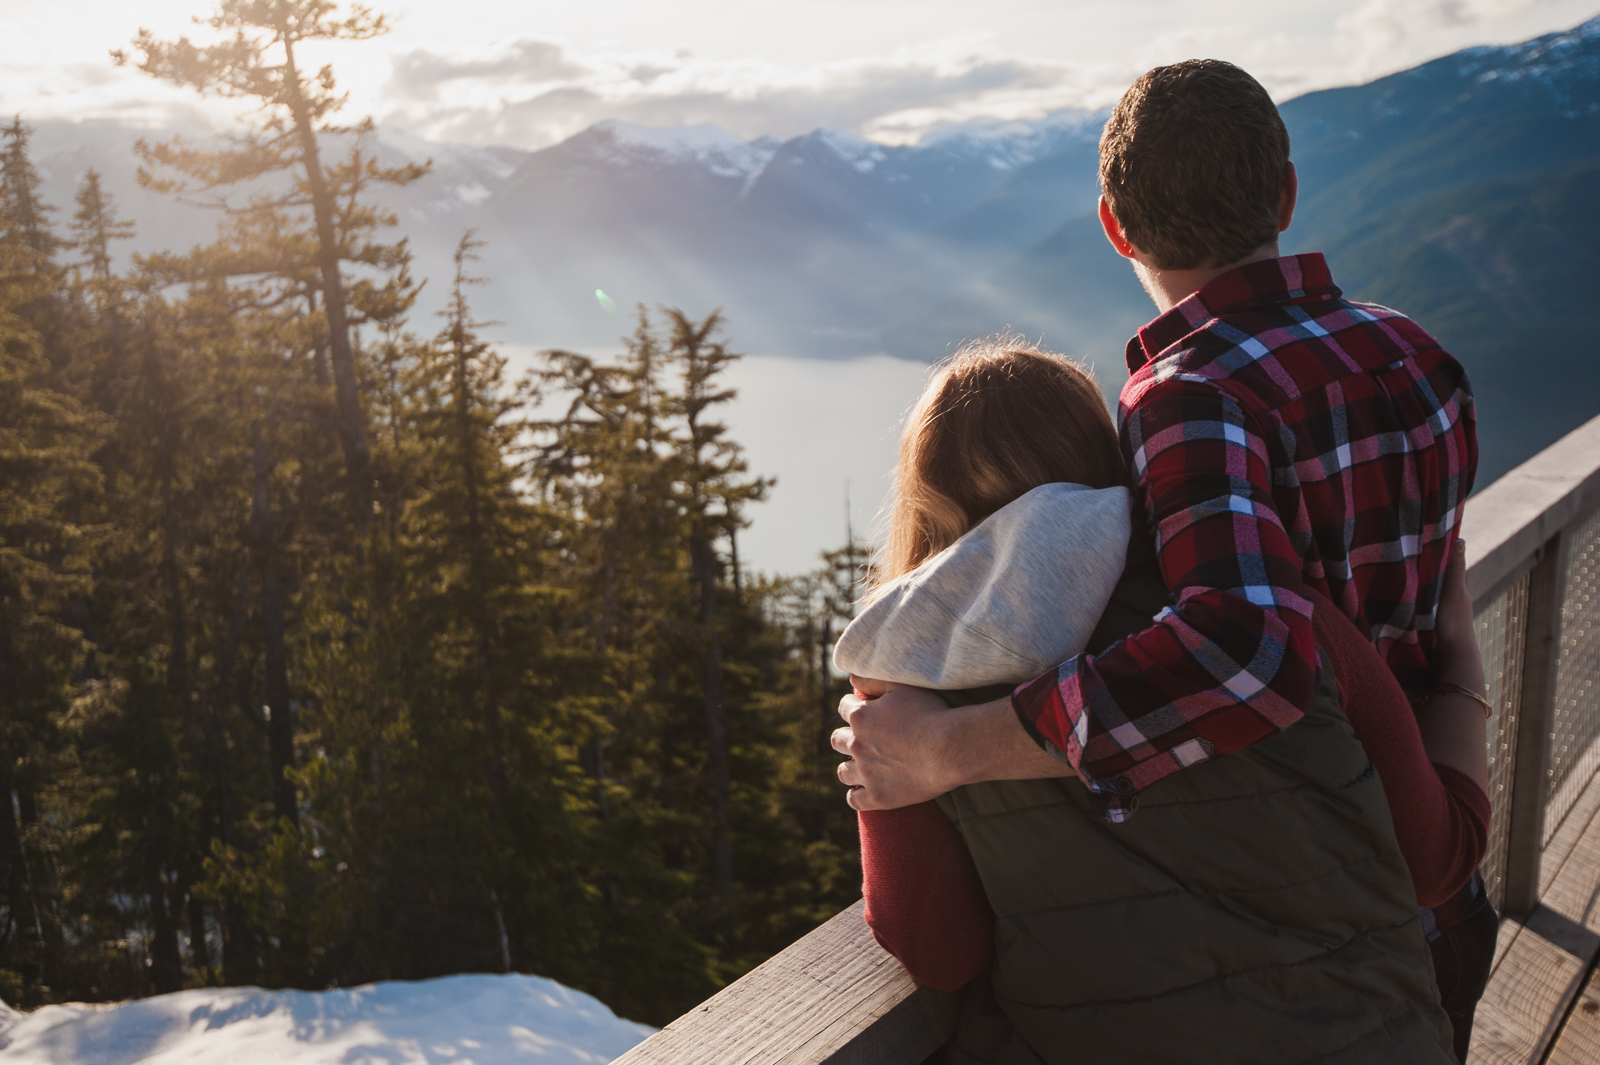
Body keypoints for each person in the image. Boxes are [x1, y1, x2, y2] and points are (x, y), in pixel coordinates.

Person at [833, 59, 1494, 1058]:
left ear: (1114, 226)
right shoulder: (1419, 357)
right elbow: (1404, 613)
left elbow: (1241, 649)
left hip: (1296, 872)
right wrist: (1463, 687)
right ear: (1285, 194)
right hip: (1411, 874)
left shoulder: (1188, 399)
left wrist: (946, 748)